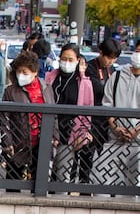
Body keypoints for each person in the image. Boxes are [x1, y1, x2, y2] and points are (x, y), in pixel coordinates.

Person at [0, 50, 54, 186]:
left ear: (34, 72)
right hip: (19, 141)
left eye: (25, 72)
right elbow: (4, 119)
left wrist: (55, 136)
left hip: (41, 139)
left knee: (38, 181)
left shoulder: (46, 88)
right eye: (19, 72)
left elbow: (54, 114)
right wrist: (7, 142)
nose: (21, 75)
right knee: (13, 180)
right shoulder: (10, 91)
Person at [46, 44, 93, 185]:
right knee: (43, 174)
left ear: (78, 60)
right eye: (64, 58)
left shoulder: (85, 83)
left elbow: (87, 111)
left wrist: (82, 134)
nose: (66, 62)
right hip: (48, 132)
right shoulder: (50, 78)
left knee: (63, 176)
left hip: (69, 135)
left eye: (70, 59)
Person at [101, 47, 140, 189]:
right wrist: (116, 127)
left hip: (138, 144)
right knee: (103, 185)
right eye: (138, 50)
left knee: (132, 188)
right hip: (114, 140)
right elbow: (107, 104)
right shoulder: (116, 76)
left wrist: (136, 131)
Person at [86, 39, 120, 175]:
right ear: (101, 53)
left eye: (114, 58)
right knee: (87, 155)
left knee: (103, 156)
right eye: (109, 58)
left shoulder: (113, 70)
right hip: (92, 118)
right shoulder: (90, 68)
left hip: (107, 120)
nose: (111, 61)